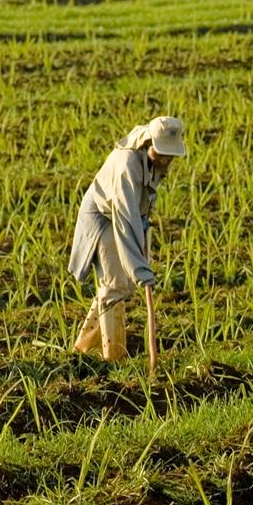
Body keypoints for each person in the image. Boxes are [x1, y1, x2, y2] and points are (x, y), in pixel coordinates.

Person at [69, 116, 186, 362]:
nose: (165, 160)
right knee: (115, 286)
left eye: (170, 155)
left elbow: (139, 209)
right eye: (161, 153)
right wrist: (141, 269)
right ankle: (114, 358)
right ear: (149, 142)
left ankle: (83, 349)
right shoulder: (127, 165)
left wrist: (140, 253)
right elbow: (125, 218)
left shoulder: (156, 155)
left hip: (129, 216)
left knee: (120, 284)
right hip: (105, 217)